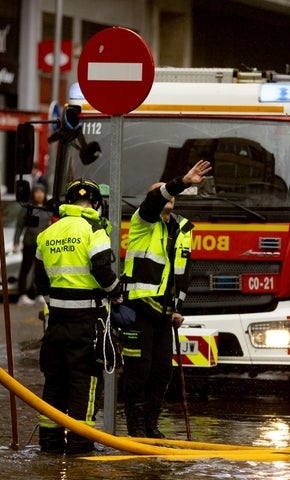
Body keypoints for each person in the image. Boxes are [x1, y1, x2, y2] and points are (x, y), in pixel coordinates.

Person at [120, 159, 212, 438]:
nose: (166, 196)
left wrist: (177, 308)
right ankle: (136, 429)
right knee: (139, 370)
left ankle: (152, 425)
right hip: (139, 307)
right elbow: (155, 199)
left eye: (169, 194)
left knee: (162, 372)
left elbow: (182, 273)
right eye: (160, 193)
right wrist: (182, 181)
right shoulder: (143, 221)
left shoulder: (182, 230)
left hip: (163, 313)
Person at [34, 178, 121, 455]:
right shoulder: (94, 228)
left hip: (56, 323)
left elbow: (39, 280)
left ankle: (49, 444)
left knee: (55, 382)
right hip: (87, 324)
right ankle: (80, 447)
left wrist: (55, 303)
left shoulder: (49, 232)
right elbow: (101, 268)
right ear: (97, 203)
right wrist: (116, 291)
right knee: (84, 381)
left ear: (68, 202)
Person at [13, 179, 52, 305]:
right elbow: (19, 226)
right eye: (37, 192)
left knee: (41, 269)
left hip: (44, 245)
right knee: (26, 268)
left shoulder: (48, 209)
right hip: (30, 242)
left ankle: (39, 293)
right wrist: (16, 242)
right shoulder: (27, 208)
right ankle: (22, 294)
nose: (40, 194)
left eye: (42, 192)